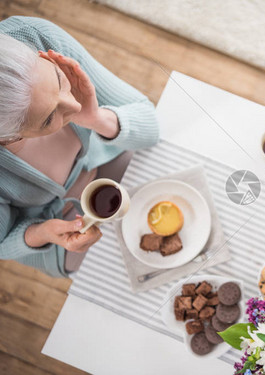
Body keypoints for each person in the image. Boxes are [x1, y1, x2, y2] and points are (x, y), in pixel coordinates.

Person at [0, 16, 159, 277]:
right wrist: (43, 232)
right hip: (57, 226)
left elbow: (150, 124)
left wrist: (98, 119)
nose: (75, 106)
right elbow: (3, 241)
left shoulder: (34, 35)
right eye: (50, 118)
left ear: (43, 56)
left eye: (59, 79)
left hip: (108, 157)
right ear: (10, 138)